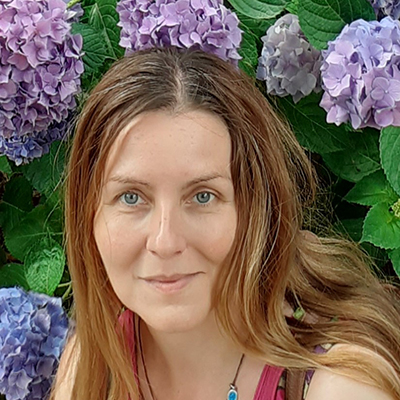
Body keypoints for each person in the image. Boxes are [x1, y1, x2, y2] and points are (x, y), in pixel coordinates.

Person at [50, 46, 400, 400]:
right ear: (88, 216)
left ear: (255, 209)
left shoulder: (341, 385)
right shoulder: (92, 366)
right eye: (131, 197)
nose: (165, 241)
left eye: (203, 196)